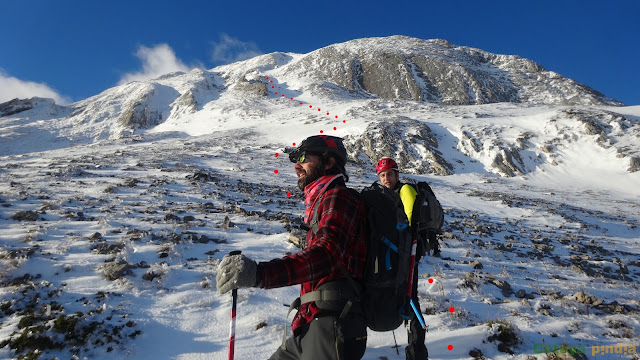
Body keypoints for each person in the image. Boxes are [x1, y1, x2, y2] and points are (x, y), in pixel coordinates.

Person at [216, 135, 368, 360]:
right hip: (311, 322)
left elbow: (327, 255)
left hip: (332, 324)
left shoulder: (339, 197)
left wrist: (259, 274)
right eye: (296, 159)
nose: (297, 165)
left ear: (328, 162)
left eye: (305, 158)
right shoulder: (323, 200)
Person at [375, 157, 432, 360]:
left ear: (397, 175)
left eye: (389, 174)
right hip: (398, 253)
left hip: (408, 254)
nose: (386, 178)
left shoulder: (405, 191)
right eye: (382, 175)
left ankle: (416, 352)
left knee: (411, 299)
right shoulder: (386, 195)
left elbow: (409, 224)